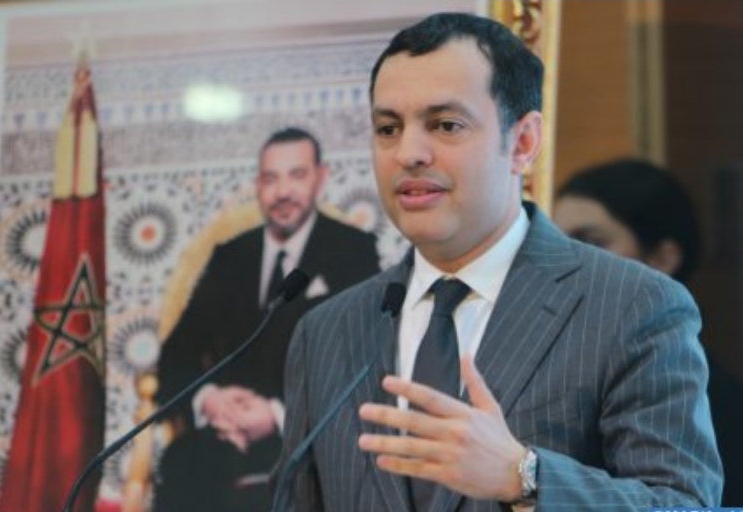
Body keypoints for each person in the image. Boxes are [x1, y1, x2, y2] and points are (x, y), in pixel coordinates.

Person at [275, 12, 722, 512]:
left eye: (446, 125)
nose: (408, 153)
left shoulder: (631, 304)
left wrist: (523, 477)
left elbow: (685, 504)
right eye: (388, 128)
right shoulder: (325, 332)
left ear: (523, 143)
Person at [154, 127, 381, 511]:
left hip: (311, 437)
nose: (283, 192)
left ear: (321, 178)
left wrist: (278, 415)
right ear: (258, 185)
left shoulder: (352, 250)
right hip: (222, 442)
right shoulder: (230, 256)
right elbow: (175, 355)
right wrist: (211, 401)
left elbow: (366, 362)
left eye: (297, 175)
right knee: (181, 461)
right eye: (271, 179)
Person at [553, 158, 742, 506]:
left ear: (662, 259)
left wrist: (525, 476)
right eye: (556, 242)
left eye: (591, 241)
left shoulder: (714, 403)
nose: (567, 262)